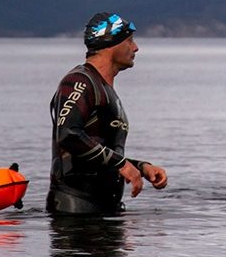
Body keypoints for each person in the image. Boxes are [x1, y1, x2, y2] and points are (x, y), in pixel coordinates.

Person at [47, 12, 168, 215]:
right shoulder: (80, 81)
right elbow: (68, 134)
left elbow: (98, 152)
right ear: (111, 44)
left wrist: (140, 167)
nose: (136, 47)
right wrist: (121, 164)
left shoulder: (104, 89)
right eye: (129, 40)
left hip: (103, 212)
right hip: (74, 214)